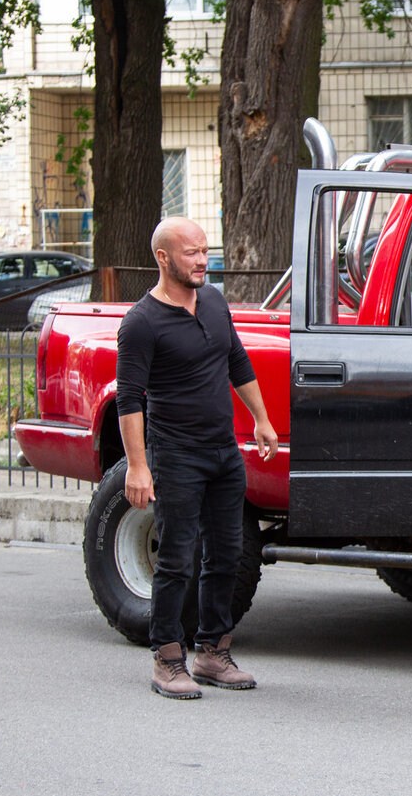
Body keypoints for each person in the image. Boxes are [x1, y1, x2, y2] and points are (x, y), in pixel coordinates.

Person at [116, 217, 278, 700]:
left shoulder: (212, 300)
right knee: (176, 558)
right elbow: (129, 399)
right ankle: (167, 659)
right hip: (176, 455)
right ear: (163, 258)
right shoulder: (141, 322)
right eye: (191, 252)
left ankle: (211, 651)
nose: (202, 260)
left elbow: (236, 359)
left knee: (228, 553)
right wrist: (139, 466)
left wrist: (261, 419)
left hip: (223, 452)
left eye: (205, 250)